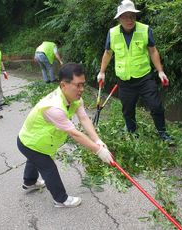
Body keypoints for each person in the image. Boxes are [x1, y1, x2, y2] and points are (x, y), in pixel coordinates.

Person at [17, 63, 113, 208]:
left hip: (33, 140)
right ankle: (60, 199)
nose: (81, 90)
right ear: (63, 85)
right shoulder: (54, 108)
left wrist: (97, 140)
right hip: (31, 142)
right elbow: (75, 133)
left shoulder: (75, 99)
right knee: (48, 168)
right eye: (78, 85)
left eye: (83, 85)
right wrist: (98, 150)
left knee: (34, 160)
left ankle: (29, 182)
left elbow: (84, 118)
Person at [97, 0, 173, 143]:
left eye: (132, 16)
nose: (129, 19)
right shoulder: (112, 33)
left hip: (144, 78)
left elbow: (153, 51)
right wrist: (102, 72)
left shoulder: (144, 29)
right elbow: (108, 53)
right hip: (124, 81)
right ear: (119, 18)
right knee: (128, 110)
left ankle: (163, 133)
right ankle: (132, 133)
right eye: (125, 16)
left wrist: (160, 71)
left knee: (156, 106)